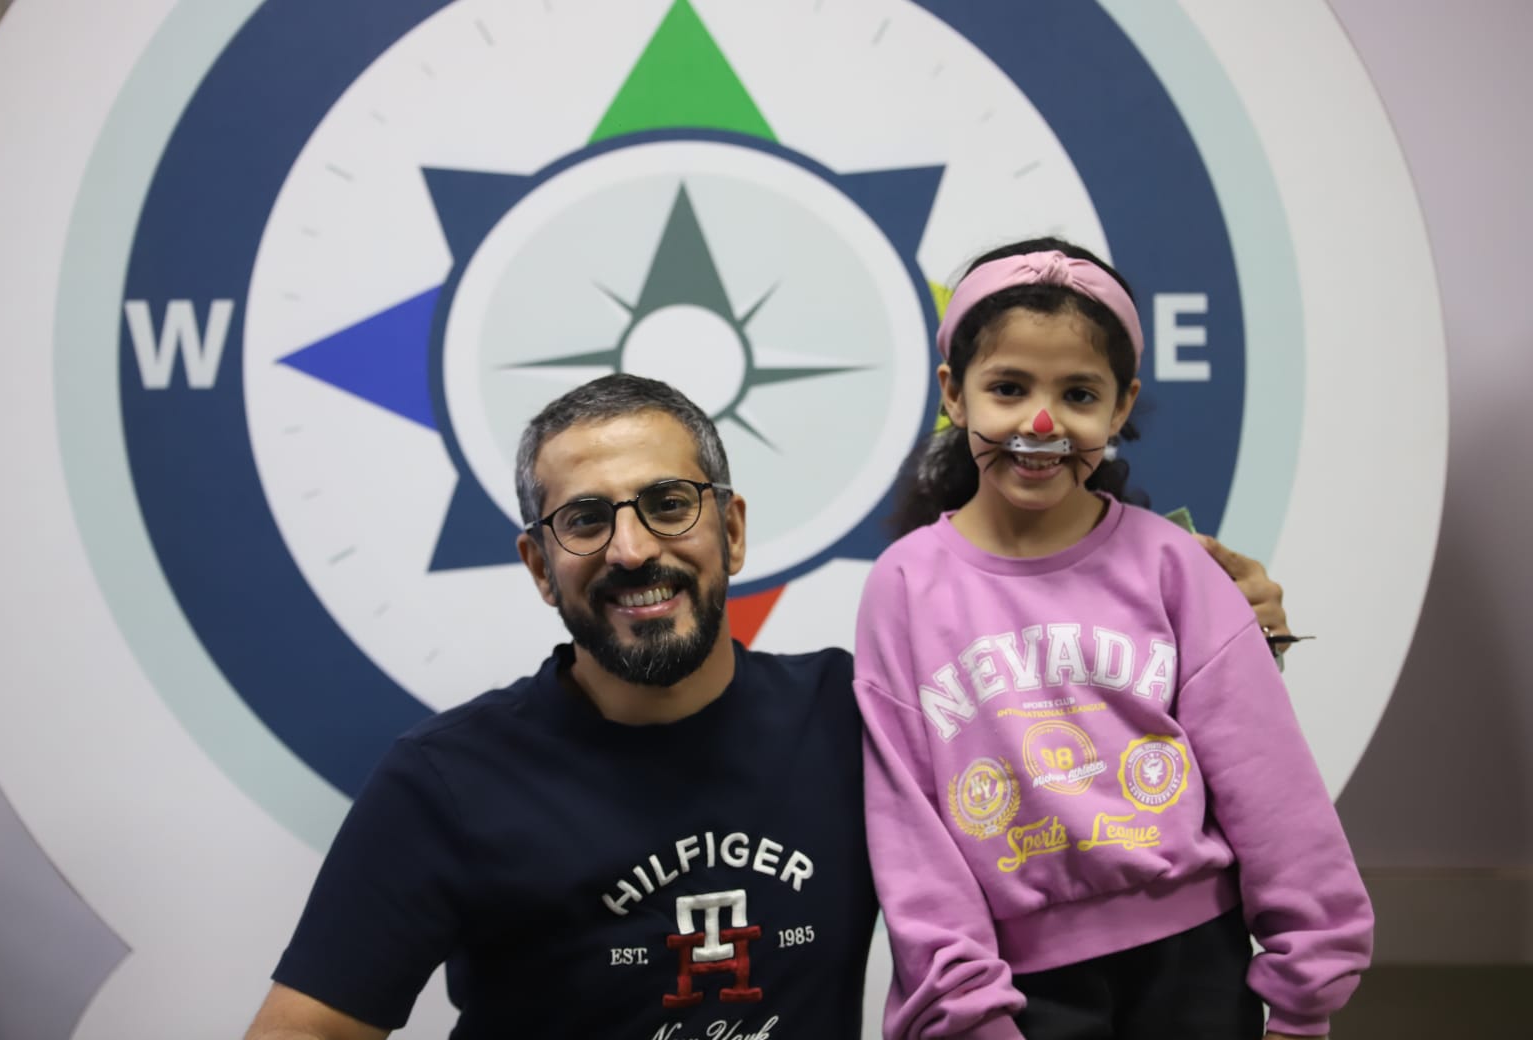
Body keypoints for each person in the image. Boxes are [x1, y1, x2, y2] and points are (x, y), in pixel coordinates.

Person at [244, 372, 1303, 1039]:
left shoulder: (864, 718)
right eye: (584, 520)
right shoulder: (444, 782)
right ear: (537, 564)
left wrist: (1227, 644)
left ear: (733, 530)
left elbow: (1089, 766)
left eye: (669, 503)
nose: (632, 549)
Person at [852, 240, 1372, 1040]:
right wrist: (964, 1010)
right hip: (1019, 987)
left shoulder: (1173, 565)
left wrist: (1306, 992)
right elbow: (907, 823)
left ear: (1121, 406)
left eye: (1079, 393)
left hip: (1196, 965)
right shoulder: (904, 586)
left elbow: (1269, 779)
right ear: (954, 393)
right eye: (1009, 388)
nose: (1041, 422)